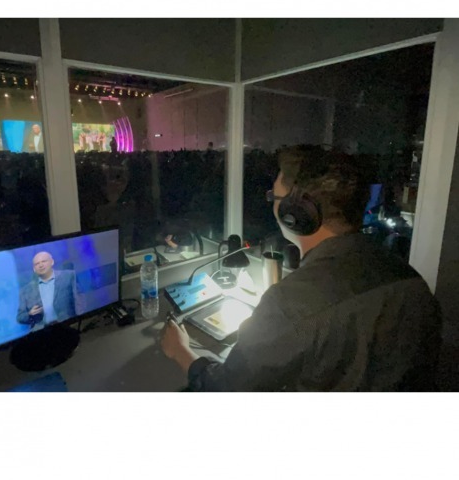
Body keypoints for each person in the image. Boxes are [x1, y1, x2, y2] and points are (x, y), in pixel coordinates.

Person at [161, 145, 442, 391]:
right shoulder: (412, 280)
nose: (272, 205)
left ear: (295, 214)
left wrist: (181, 352)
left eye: (274, 197)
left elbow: (227, 390)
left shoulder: (290, 303)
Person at [17, 251, 77, 330]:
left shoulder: (69, 276)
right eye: (37, 264)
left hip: (68, 326)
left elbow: (80, 301)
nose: (41, 265)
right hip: (41, 332)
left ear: (52, 262)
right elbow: (20, 317)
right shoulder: (25, 290)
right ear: (34, 269)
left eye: (44, 261)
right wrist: (30, 314)